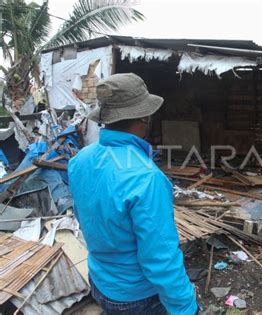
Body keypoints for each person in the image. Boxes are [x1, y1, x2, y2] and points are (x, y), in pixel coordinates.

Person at [68, 73, 199, 314]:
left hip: (100, 281)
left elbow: (83, 218)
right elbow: (160, 258)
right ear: (144, 116)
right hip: (137, 297)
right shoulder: (146, 178)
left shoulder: (80, 160)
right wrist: (186, 307)